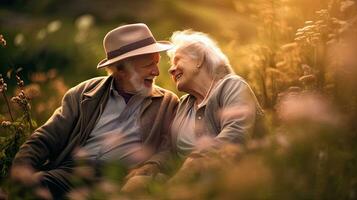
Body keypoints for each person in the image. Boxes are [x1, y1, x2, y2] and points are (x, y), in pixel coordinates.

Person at [11, 23, 179, 198]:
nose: (157, 72)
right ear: (122, 69)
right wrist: (21, 168)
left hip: (120, 179)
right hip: (71, 173)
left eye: (157, 63)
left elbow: (168, 150)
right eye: (148, 65)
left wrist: (148, 169)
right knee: (35, 185)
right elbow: (47, 137)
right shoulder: (84, 92)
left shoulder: (167, 102)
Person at [167, 30, 264, 164]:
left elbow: (234, 135)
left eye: (177, 60)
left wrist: (193, 165)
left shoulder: (232, 86)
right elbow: (169, 153)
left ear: (199, 60)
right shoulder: (184, 104)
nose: (171, 69)